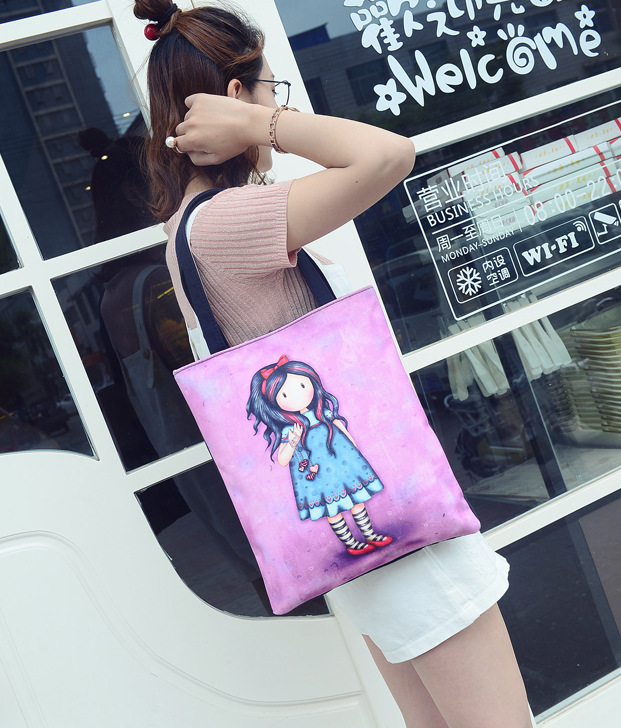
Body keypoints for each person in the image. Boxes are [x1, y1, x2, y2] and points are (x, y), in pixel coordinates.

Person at [133, 2, 533, 726]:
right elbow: (388, 155)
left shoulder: (187, 227)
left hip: (365, 540)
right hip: (405, 537)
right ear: (236, 97)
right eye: (271, 91)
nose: (276, 106)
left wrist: (253, 119)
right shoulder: (226, 222)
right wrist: (262, 125)